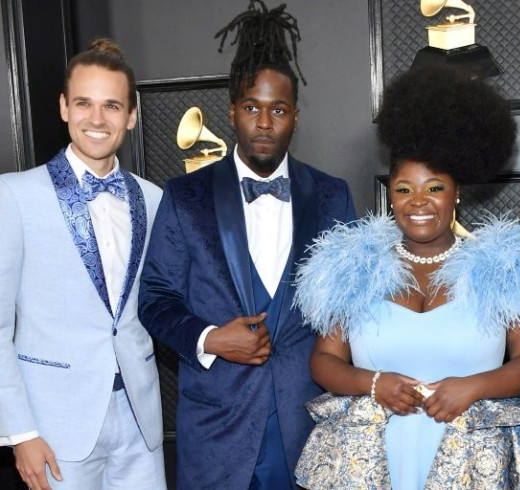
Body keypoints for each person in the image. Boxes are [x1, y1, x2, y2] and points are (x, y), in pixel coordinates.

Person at [293, 65, 520, 490]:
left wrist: (473, 387)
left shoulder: (503, 267)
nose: (418, 202)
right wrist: (373, 383)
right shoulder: (352, 268)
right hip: (370, 462)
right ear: (389, 194)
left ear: (456, 194)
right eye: (403, 189)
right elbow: (324, 361)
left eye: (434, 188)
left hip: (472, 462)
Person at [137, 1, 356, 488]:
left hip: (306, 422)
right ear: (233, 111)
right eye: (252, 108)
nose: (263, 122)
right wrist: (210, 338)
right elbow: (154, 297)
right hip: (217, 426)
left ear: (294, 117)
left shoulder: (332, 195)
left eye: (277, 110)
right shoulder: (184, 195)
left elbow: (351, 306)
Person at [0, 39, 165, 490]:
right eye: (84, 103)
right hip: (54, 426)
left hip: (140, 418)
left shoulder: (153, 200)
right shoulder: (14, 196)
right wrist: (21, 433)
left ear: (131, 115)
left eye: (112, 106)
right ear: (63, 108)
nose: (97, 119)